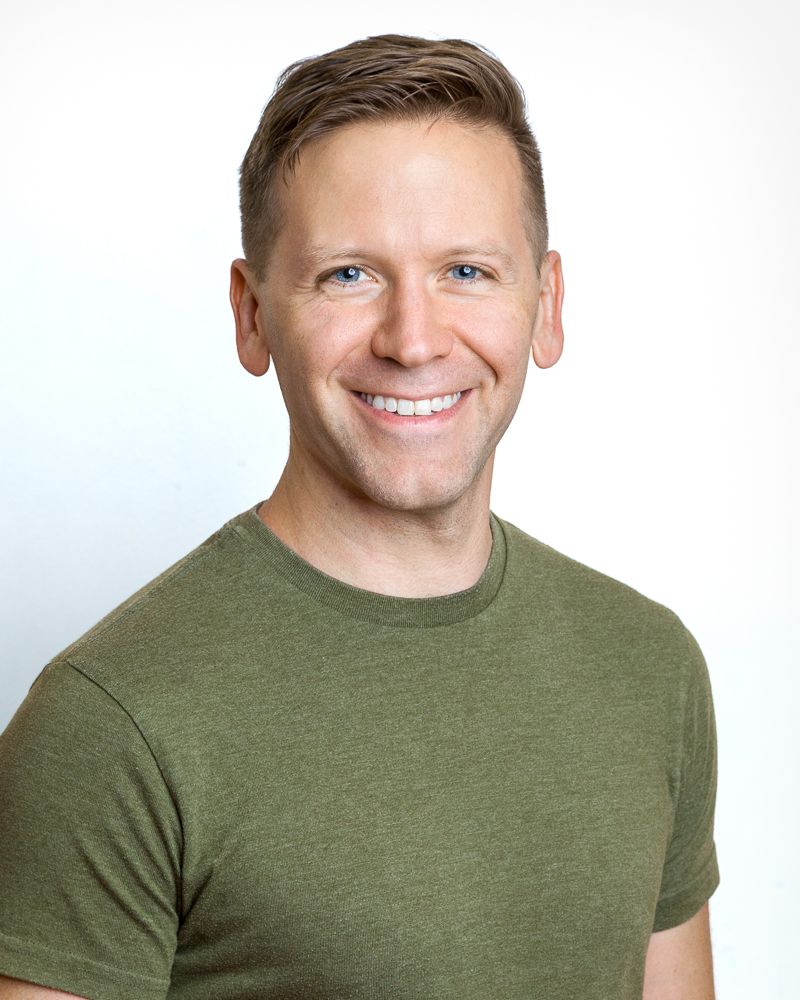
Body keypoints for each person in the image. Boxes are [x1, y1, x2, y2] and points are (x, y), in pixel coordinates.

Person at [0, 33, 719, 1000]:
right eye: (349, 274)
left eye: (467, 270)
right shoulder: (110, 723)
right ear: (252, 316)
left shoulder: (649, 665)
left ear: (545, 305)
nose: (414, 341)